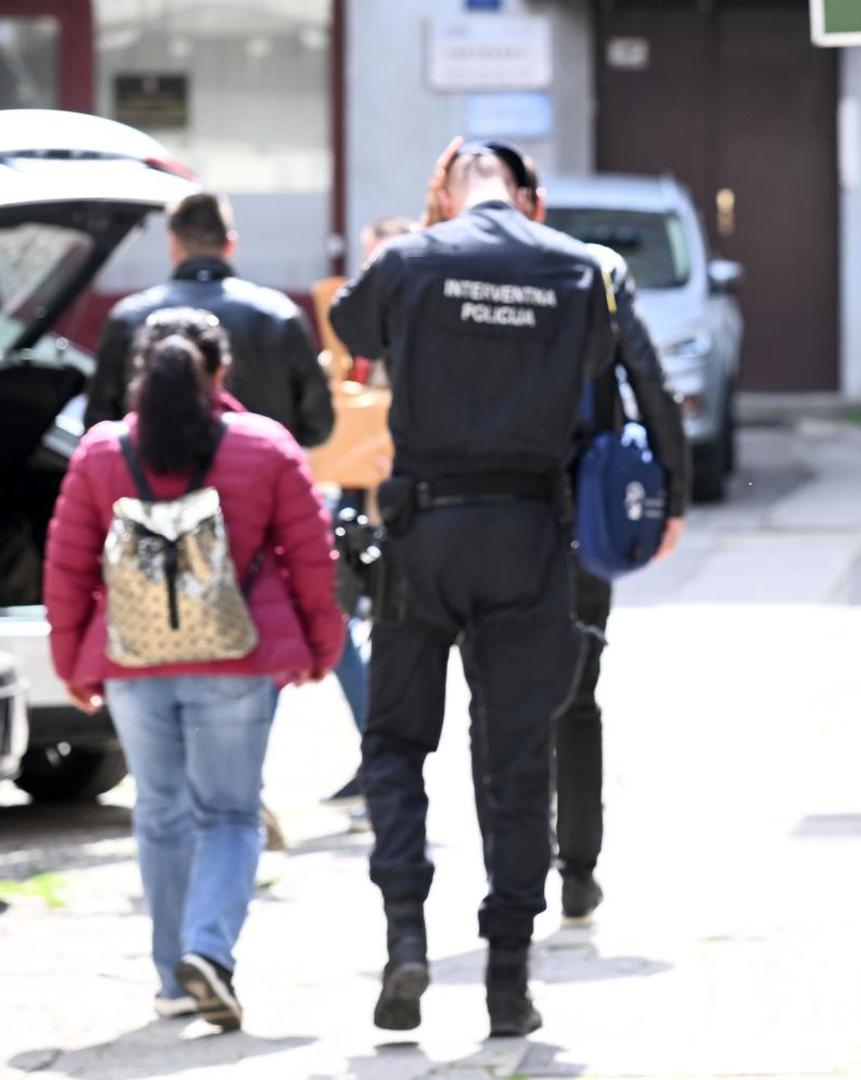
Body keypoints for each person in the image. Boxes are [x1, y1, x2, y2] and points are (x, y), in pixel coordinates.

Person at [329, 142, 616, 1037]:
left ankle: (406, 937)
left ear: (444, 192)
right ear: (524, 195)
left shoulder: (412, 258)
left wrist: (428, 246)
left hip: (425, 537)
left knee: (397, 744)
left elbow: (350, 330)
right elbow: (603, 377)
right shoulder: (574, 267)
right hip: (529, 534)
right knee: (514, 762)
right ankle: (506, 980)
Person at [44, 330, 342, 1030]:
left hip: (132, 663)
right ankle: (209, 950)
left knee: (160, 814)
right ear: (222, 371)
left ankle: (172, 978)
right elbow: (312, 558)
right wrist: (320, 647)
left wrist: (71, 662)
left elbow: (67, 566)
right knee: (231, 815)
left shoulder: (100, 452)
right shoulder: (263, 446)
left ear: (139, 374)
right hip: (235, 663)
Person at [458, 148, 689, 921]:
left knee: (492, 697)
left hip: (485, 513)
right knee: (576, 695)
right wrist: (671, 499)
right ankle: (577, 870)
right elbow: (650, 387)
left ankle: (508, 875)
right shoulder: (594, 272)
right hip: (581, 512)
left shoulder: (451, 274)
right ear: (538, 202)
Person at [83, 191, 334, 449]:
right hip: (256, 481)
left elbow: (99, 425)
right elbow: (318, 424)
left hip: (154, 485)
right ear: (230, 244)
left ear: (174, 243)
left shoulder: (130, 318)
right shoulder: (280, 315)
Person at [322, 214, 415, 816]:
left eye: (379, 260)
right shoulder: (364, 335)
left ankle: (385, 769)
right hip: (360, 502)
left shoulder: (415, 333)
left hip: (400, 511)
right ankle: (377, 759)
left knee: (384, 642)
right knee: (343, 631)